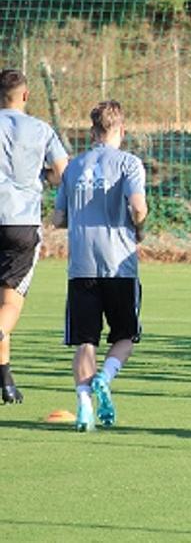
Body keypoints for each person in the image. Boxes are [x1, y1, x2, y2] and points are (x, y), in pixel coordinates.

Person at [52, 101, 146, 431]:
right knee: (125, 335)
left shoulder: (74, 167)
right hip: (118, 264)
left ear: (92, 132)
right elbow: (138, 207)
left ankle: (83, 406)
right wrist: (140, 227)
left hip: (81, 265)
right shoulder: (129, 163)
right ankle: (105, 377)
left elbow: (58, 217)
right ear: (121, 130)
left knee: (85, 340)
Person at [0, 68, 69, 405]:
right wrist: (39, 175)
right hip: (21, 223)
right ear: (25, 95)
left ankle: (6, 381)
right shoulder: (41, 129)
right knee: (9, 303)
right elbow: (62, 173)